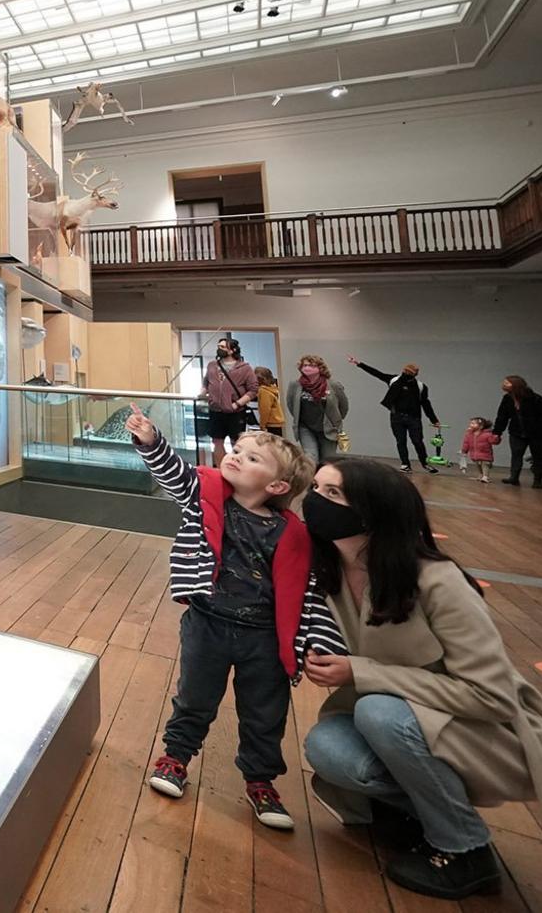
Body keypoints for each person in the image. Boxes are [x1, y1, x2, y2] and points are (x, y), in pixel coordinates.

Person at [298, 459, 542, 900]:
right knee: (327, 747)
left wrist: (362, 672)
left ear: (374, 514)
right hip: (409, 722)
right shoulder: (330, 571)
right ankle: (420, 815)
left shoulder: (438, 581)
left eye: (332, 494)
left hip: (477, 728)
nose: (314, 500)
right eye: (315, 488)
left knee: (379, 712)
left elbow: (492, 697)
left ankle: (466, 849)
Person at [128, 404, 344, 832]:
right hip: (207, 622)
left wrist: (321, 642)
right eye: (237, 448)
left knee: (266, 712)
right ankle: (176, 757)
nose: (235, 455)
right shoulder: (205, 495)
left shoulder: (293, 533)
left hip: (264, 638)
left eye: (251, 457)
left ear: (278, 484)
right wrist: (151, 440)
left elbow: (309, 594)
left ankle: (260, 780)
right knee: (194, 696)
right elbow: (174, 474)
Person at [347, 356, 441, 473]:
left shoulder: (421, 387)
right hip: (397, 417)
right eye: (405, 372)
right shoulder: (394, 380)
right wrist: (359, 364)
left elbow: (426, 404)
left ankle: (425, 463)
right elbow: (377, 373)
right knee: (401, 441)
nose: (406, 374)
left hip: (414, 418)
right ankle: (405, 464)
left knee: (417, 441)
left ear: (415, 375)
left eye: (409, 373)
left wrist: (434, 420)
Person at [203, 335, 259, 465]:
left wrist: (237, 404)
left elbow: (253, 390)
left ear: (232, 350)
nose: (219, 349)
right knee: (217, 441)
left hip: (235, 412)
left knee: (237, 442)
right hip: (215, 410)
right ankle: (220, 470)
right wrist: (203, 393)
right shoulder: (212, 366)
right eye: (218, 347)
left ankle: (236, 468)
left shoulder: (245, 368)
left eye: (223, 347)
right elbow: (206, 383)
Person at [284, 355, 349, 463]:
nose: (307, 368)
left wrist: (335, 421)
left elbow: (343, 406)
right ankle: (310, 479)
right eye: (304, 365)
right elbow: (291, 405)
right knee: (311, 457)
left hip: (328, 428)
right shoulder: (295, 385)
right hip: (305, 427)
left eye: (311, 365)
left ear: (320, 368)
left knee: (328, 460)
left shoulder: (333, 385)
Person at [494, 376, 542, 488]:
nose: (503, 385)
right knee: (516, 455)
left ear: (515, 385)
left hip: (537, 434)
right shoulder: (507, 399)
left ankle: (537, 480)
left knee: (538, 456)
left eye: (507, 383)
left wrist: (541, 428)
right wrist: (497, 432)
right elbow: (502, 416)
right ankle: (514, 477)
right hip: (517, 432)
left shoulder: (535, 399)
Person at [460, 417, 498, 484]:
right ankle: (481, 475)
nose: (471, 425)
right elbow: (466, 443)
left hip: (485, 454)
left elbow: (493, 441)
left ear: (481, 426)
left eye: (473, 423)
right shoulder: (469, 434)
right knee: (478, 465)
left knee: (485, 465)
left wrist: (496, 437)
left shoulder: (487, 434)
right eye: (471, 423)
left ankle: (485, 476)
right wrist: (464, 450)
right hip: (475, 454)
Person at [254, 366, 286, 439]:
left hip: (270, 423)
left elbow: (265, 409)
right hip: (277, 421)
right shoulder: (272, 388)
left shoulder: (263, 391)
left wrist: (262, 425)